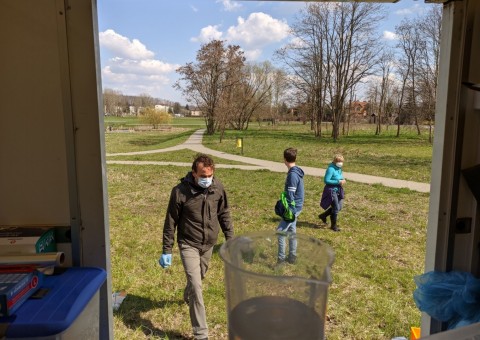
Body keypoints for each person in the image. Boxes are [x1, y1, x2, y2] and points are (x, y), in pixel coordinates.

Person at [159, 154, 234, 340]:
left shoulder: (218, 188)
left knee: (197, 279)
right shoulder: (180, 192)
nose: (207, 179)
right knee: (197, 287)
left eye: (210, 175)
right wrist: (166, 250)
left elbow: (224, 213)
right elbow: (170, 221)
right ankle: (201, 334)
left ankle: (189, 294)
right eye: (202, 175)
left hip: (209, 245)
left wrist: (230, 239)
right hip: (188, 244)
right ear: (194, 173)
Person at [276, 147, 305, 264]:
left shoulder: (292, 175)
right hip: (296, 208)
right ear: (295, 158)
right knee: (292, 232)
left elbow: (291, 195)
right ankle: (292, 257)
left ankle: (281, 259)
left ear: (284, 159)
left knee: (280, 232)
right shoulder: (296, 171)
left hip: (292, 209)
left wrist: (288, 211)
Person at [319, 154, 346, 232]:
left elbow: (340, 176)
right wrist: (338, 181)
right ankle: (333, 226)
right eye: (338, 161)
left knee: (339, 206)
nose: (340, 163)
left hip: (338, 189)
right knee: (336, 208)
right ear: (334, 161)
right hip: (331, 190)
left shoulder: (339, 168)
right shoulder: (331, 169)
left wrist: (343, 180)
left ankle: (323, 215)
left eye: (341, 162)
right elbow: (326, 180)